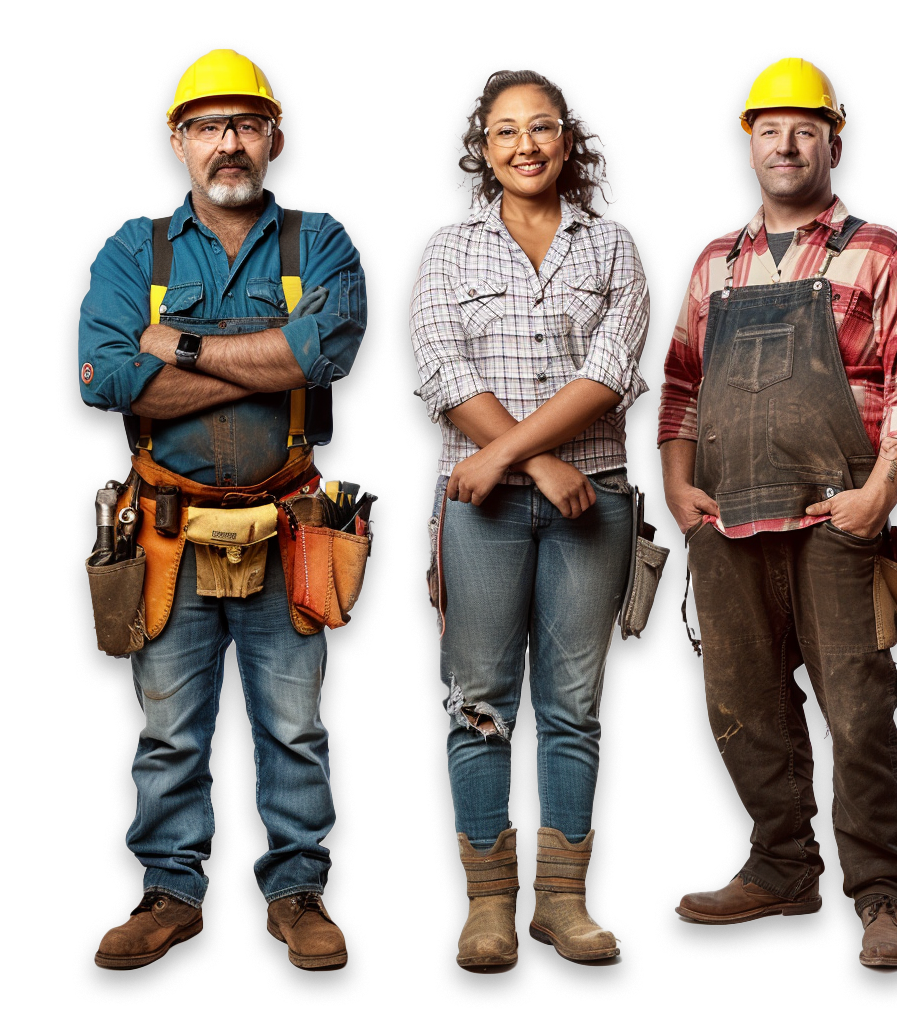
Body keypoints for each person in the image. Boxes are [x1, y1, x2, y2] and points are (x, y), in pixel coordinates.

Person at [79, 48, 368, 972]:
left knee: (295, 726)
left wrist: (182, 347)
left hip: (291, 526)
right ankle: (170, 892)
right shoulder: (135, 250)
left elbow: (322, 359)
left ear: (276, 136)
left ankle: (298, 893)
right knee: (168, 730)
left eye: (246, 124)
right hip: (165, 528)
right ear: (177, 142)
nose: (229, 144)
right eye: (207, 126)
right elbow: (108, 378)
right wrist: (260, 355)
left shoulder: (322, 242)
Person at [657, 56, 897, 974]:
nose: (786, 142)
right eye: (769, 129)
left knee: (858, 710)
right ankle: (782, 868)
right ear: (749, 146)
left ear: (833, 141)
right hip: (728, 520)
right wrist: (675, 483)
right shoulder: (716, 262)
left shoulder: (881, 251)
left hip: (838, 520)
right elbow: (680, 389)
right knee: (740, 704)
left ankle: (882, 896)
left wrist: (881, 492)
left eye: (805, 128)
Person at [409, 67, 650, 971]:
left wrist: (522, 455)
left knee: (574, 705)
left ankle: (563, 903)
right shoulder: (447, 249)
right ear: (483, 150)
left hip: (599, 501)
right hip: (479, 511)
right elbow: (440, 371)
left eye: (541, 129)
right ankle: (487, 907)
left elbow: (615, 368)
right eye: (504, 132)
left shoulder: (614, 246)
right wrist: (535, 461)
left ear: (569, 141)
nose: (524, 146)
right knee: (478, 702)